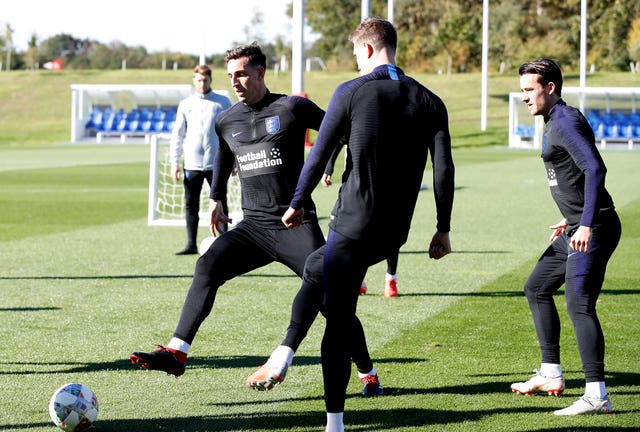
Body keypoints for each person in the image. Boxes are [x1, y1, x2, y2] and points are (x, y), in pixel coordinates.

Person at [130, 43, 382, 397]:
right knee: (207, 266)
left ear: (261, 72)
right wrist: (216, 197)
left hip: (295, 224)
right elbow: (222, 154)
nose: (235, 81)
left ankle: (368, 372)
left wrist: (338, 165)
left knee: (332, 303)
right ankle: (177, 352)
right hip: (252, 228)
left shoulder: (293, 107)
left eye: (242, 74)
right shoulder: (227, 119)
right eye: (230, 75)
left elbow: (339, 131)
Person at [281, 18, 455, 432]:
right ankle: (290, 352)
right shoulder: (430, 100)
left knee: (338, 314)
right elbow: (444, 169)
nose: (355, 59)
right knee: (315, 270)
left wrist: (299, 201)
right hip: (394, 234)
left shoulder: (352, 91)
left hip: (353, 226)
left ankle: (334, 423)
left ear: (370, 48)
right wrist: (443, 227)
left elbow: (320, 152)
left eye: (357, 52)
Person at [510, 58, 621, 416]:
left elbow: (594, 167)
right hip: (576, 224)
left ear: (550, 88)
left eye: (529, 89)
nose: (524, 97)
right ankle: (551, 372)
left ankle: (596, 394)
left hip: (595, 227)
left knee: (579, 304)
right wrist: (572, 215)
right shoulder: (556, 119)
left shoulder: (565, 121)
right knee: (537, 286)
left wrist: (586, 222)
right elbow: (575, 174)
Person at [321, 145, 400, 297]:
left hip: (366, 184)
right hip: (359, 183)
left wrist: (328, 168)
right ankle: (384, 280)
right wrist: (328, 167)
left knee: (383, 229)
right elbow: (339, 138)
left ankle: (387, 279)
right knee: (379, 229)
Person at [170, 64, 232, 255]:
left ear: (210, 80)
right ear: (193, 81)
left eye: (205, 80)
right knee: (191, 205)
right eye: (198, 80)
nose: (202, 83)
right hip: (192, 164)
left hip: (217, 164)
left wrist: (235, 160)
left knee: (220, 203)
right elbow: (178, 135)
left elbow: (231, 133)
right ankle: (191, 244)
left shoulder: (222, 102)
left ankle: (223, 244)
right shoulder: (186, 104)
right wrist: (174, 162)